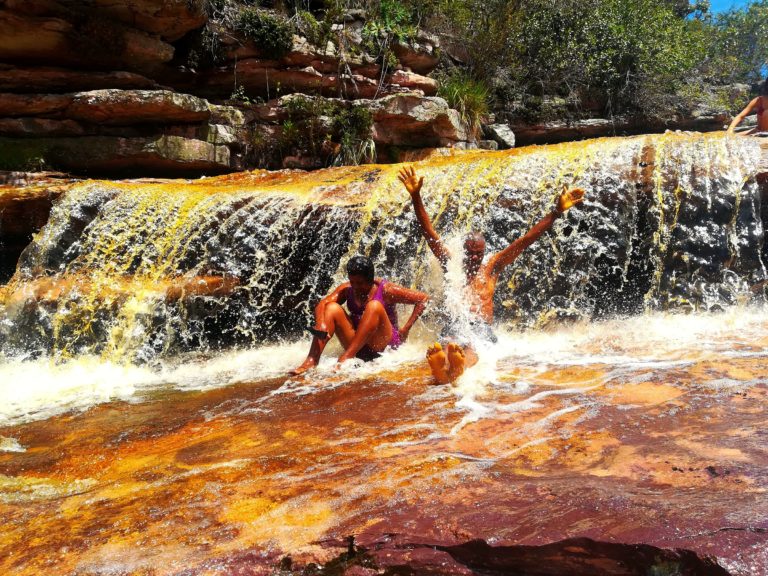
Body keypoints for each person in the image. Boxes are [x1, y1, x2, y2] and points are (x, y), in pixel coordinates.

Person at [397, 166, 584, 384]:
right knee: (448, 343)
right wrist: (416, 196)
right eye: (470, 254)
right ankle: (444, 368)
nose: (475, 258)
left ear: (484, 252)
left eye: (479, 254)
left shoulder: (492, 267)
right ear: (463, 251)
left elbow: (525, 241)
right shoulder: (452, 265)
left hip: (481, 327)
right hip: (456, 323)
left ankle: (458, 367)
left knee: (471, 348)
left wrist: (556, 212)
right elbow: (430, 234)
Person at [291, 255, 429, 375]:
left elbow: (423, 299)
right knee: (331, 307)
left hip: (383, 345)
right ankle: (312, 360)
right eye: (352, 282)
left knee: (374, 306)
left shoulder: (387, 290)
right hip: (359, 345)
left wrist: (406, 329)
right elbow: (323, 303)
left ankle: (347, 356)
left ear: (370, 279)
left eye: (360, 283)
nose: (355, 287)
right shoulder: (347, 289)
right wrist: (320, 323)